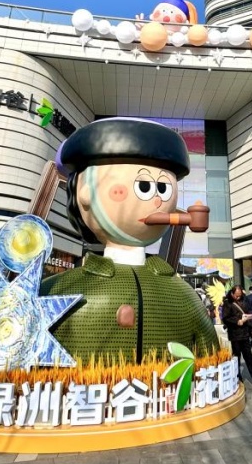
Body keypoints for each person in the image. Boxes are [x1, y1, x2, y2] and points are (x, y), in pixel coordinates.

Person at [37, 118, 220, 361]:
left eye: (163, 188)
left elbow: (211, 357)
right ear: (85, 193)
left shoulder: (182, 295)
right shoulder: (55, 292)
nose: (156, 200)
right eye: (144, 186)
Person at [220, 286, 252, 390]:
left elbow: (248, 315)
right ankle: (238, 381)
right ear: (232, 293)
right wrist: (237, 321)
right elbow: (225, 318)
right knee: (236, 358)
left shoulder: (244, 301)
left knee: (249, 358)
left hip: (245, 334)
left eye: (239, 295)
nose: (238, 297)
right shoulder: (228, 303)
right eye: (236, 296)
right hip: (235, 335)